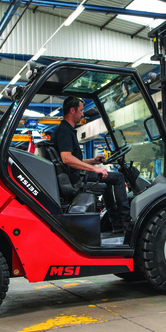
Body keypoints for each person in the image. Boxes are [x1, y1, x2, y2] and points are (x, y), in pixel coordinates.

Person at [52, 96, 131, 232]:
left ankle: (116, 224)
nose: (83, 114)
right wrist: (95, 169)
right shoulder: (65, 131)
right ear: (72, 110)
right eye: (81, 110)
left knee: (106, 186)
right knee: (118, 178)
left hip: (74, 175)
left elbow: (73, 161)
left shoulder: (65, 130)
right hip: (75, 179)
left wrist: (93, 161)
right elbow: (66, 159)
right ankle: (125, 221)